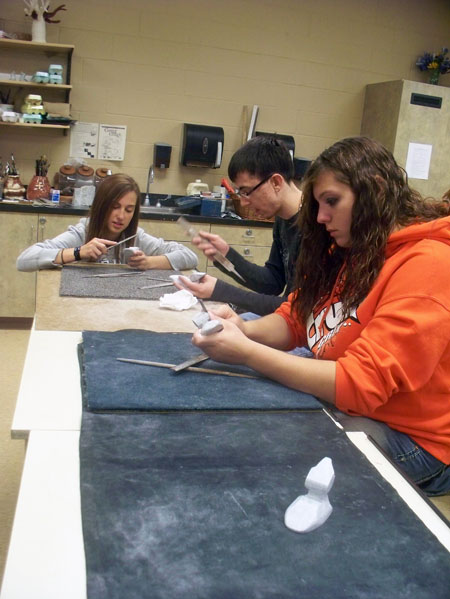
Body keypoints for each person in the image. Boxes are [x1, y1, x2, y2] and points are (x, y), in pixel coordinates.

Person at [192, 136, 450, 496]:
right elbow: (297, 319)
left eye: (332, 201)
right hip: (357, 405)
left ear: (375, 190)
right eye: (318, 204)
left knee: (290, 452)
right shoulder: (354, 248)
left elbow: (359, 384)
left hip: (413, 440)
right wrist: (243, 330)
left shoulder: (428, 265)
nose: (321, 217)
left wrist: (248, 353)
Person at [174, 137, 303, 316]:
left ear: (276, 182)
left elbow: (299, 309)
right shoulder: (283, 219)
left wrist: (220, 291)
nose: (243, 202)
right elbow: (273, 283)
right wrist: (226, 256)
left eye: (246, 192)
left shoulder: (317, 227)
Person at [16, 173, 198, 272]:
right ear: (102, 206)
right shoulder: (81, 233)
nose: (121, 216)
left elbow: (189, 256)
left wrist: (148, 262)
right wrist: (78, 252)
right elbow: (24, 260)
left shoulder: (135, 237)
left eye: (128, 210)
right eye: (115, 207)